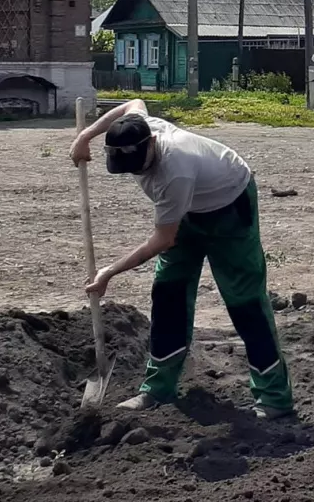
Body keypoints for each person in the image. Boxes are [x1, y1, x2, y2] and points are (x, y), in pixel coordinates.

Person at [71, 98, 295, 420]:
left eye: (139, 164)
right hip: (187, 212)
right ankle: (158, 388)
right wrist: (85, 136)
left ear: (150, 144)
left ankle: (275, 397)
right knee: (168, 293)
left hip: (229, 206)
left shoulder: (175, 169)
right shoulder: (141, 125)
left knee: (244, 301)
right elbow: (133, 103)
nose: (136, 172)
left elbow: (163, 239)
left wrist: (110, 272)